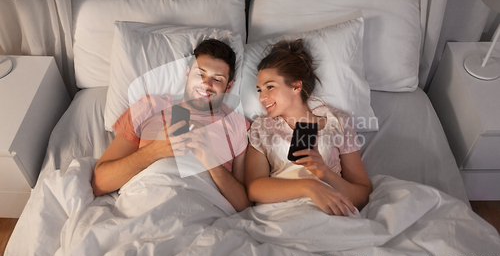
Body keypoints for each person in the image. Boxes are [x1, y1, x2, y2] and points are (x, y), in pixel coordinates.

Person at [92, 39, 252, 212]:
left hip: (202, 209)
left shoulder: (238, 125)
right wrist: (155, 150)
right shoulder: (147, 108)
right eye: (200, 74)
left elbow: (243, 205)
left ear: (228, 87)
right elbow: (100, 183)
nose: (206, 84)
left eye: (217, 79)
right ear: (187, 74)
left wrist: (211, 160)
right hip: (146, 202)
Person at [245, 39, 372, 216]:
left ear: (296, 86)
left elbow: (362, 195)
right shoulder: (262, 127)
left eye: (270, 87)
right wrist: (309, 186)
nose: (262, 97)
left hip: (331, 215)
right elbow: (254, 188)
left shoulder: (337, 122)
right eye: (259, 90)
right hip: (282, 215)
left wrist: (325, 173)